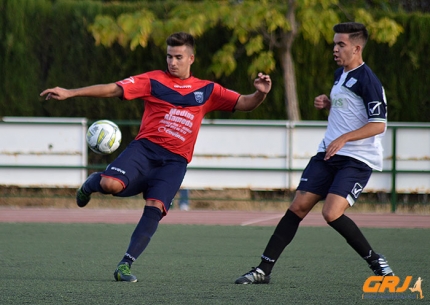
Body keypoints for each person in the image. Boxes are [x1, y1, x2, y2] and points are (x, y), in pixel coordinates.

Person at [40, 32, 272, 282]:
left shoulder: (207, 90)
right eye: (169, 56)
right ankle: (92, 182)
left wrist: (260, 94)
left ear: (191, 58)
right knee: (110, 185)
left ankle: (125, 265)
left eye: (178, 57)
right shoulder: (153, 81)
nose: (172, 62)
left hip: (174, 162)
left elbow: (245, 103)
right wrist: (70, 93)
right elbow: (112, 89)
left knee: (155, 208)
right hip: (145, 150)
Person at [235, 22, 393, 285]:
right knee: (298, 206)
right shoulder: (339, 74)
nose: (335, 48)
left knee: (331, 214)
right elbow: (350, 112)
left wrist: (344, 138)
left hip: (357, 159)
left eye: (341, 44)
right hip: (328, 154)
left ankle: (376, 261)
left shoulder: (368, 81)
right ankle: (263, 270)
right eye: (334, 43)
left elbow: (378, 124)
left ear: (356, 48)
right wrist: (330, 105)